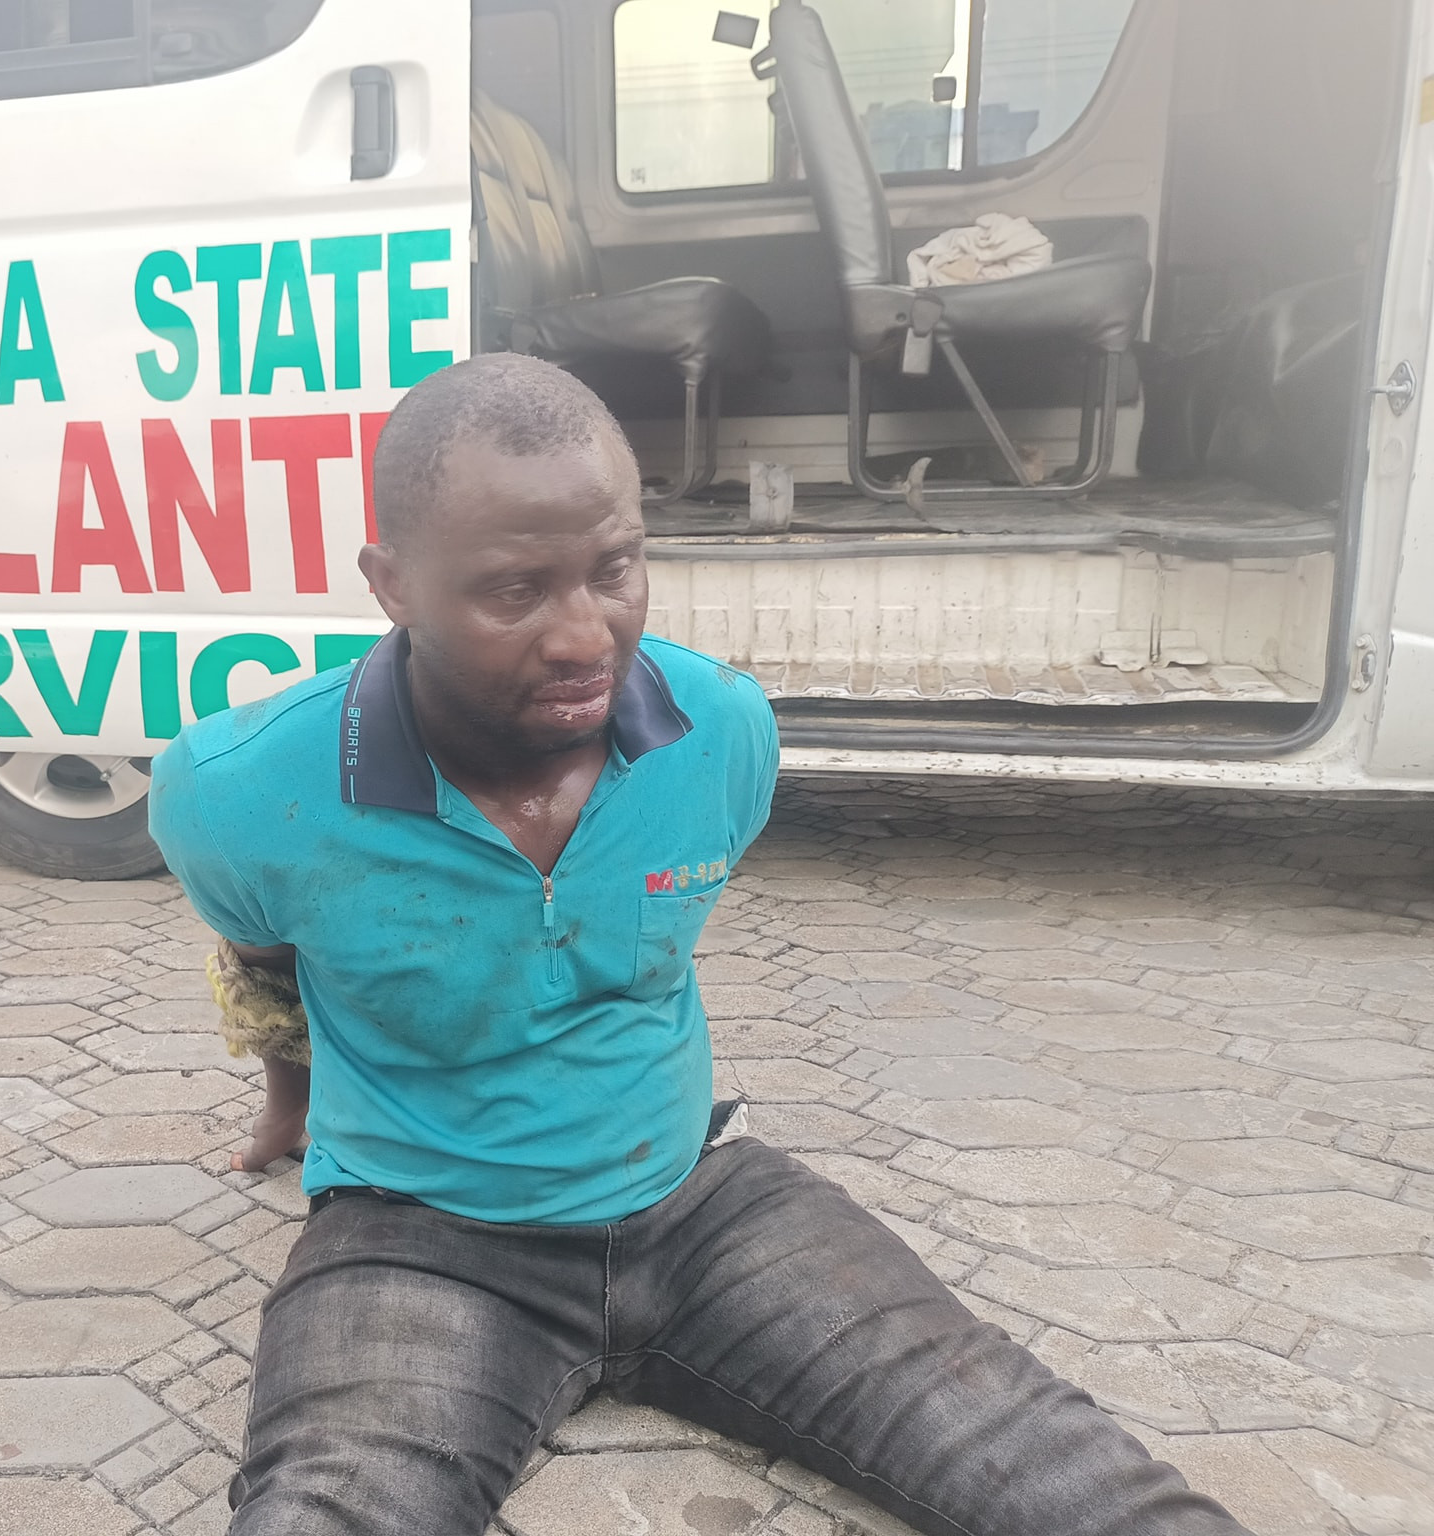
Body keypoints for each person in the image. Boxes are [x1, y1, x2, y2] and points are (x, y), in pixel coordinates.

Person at [149, 354, 1251, 1536]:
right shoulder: (239, 787)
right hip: (415, 1238)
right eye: (514, 590)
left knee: (1072, 1479)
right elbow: (265, 963)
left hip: (701, 1209)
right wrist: (289, 1104)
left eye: (612, 569)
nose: (585, 636)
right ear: (392, 585)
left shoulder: (720, 730)